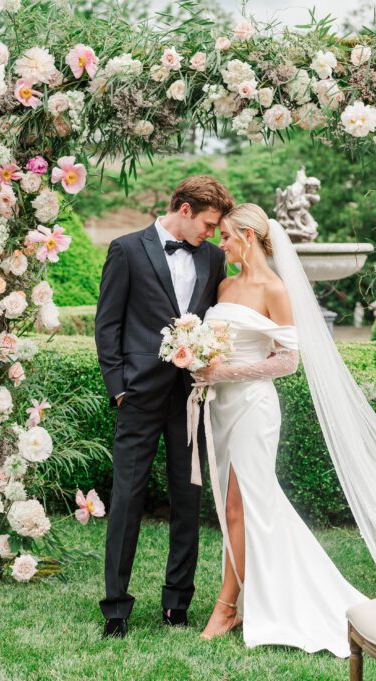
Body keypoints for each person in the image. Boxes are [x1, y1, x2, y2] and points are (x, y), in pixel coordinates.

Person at [193, 203, 368, 656]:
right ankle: (253, 595)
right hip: (219, 407)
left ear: (248, 237)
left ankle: (227, 605)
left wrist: (222, 375)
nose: (221, 244)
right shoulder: (225, 284)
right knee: (236, 507)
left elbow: (288, 361)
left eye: (227, 237)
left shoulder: (275, 289)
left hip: (253, 407)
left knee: (241, 505)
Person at [94, 176, 234, 639]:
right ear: (185, 208)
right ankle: (116, 607)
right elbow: (108, 324)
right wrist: (118, 387)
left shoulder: (213, 259)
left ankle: (178, 604)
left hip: (191, 397)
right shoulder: (127, 249)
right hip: (138, 395)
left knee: (187, 499)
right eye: (209, 225)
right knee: (127, 498)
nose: (212, 235)